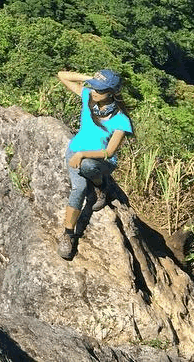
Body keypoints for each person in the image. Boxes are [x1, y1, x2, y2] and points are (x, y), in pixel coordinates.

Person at [56, 68, 133, 260]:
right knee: (78, 189)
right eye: (94, 88)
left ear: (112, 93)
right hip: (75, 151)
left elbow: (109, 152)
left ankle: (100, 187)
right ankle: (68, 234)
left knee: (88, 166)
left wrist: (82, 154)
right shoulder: (88, 97)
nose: (95, 91)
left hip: (101, 161)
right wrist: (91, 79)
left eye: (100, 89)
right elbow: (61, 76)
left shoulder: (120, 120)